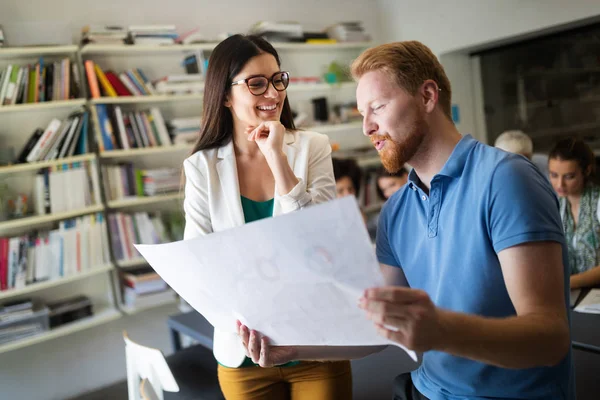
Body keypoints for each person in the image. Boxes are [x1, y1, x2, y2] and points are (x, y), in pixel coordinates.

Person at [239, 40, 573, 400]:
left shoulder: (506, 179)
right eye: (361, 114)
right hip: (426, 391)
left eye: (378, 107)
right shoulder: (396, 210)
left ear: (428, 97)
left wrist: (441, 330)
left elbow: (550, 339)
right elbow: (377, 330)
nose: (367, 127)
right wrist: (294, 351)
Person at [182, 34, 352, 400]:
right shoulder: (201, 168)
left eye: (278, 80)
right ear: (225, 96)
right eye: (256, 84)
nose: (273, 94)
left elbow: (319, 242)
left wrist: (276, 157)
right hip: (242, 354)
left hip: (314, 345)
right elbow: (198, 267)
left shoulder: (312, 147)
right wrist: (247, 329)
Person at [548, 137, 600, 290]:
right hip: (572, 295)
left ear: (587, 170)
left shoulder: (598, 201)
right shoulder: (555, 204)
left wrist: (567, 283)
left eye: (569, 176)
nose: (559, 184)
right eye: (554, 175)